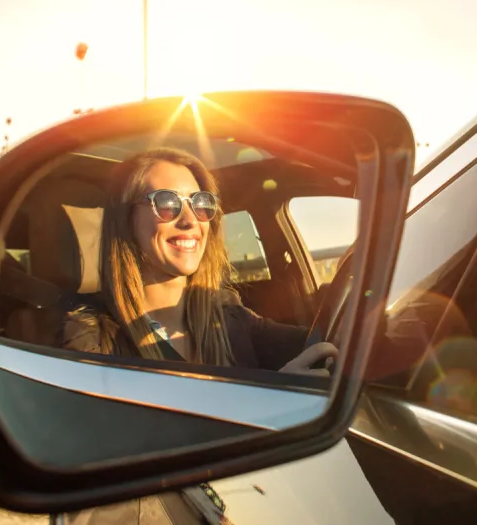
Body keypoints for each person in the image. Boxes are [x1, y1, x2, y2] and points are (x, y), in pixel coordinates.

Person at [59, 147, 337, 376]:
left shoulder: (228, 317)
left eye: (200, 203)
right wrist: (276, 396)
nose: (190, 220)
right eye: (167, 203)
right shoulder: (94, 339)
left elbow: (329, 342)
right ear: (126, 221)